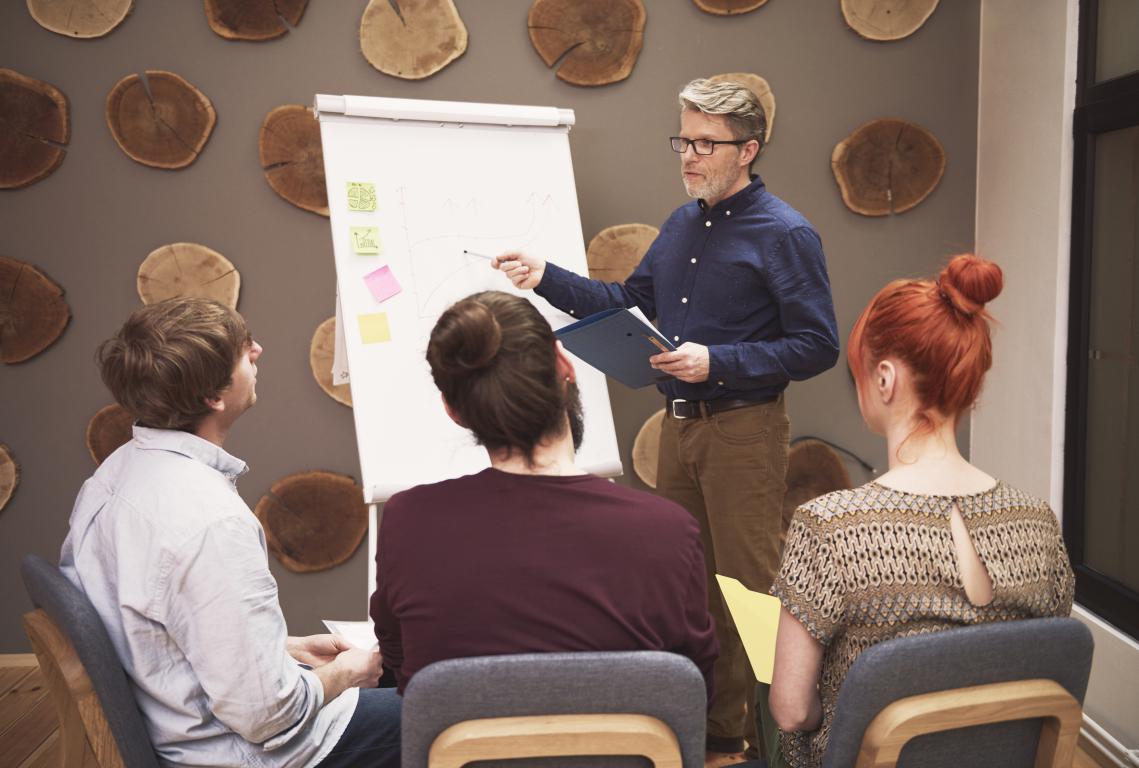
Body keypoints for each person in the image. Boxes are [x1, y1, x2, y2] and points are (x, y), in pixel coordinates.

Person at [492, 77, 839, 760]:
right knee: (691, 589)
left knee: (751, 594)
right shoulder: (684, 224)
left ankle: (785, 748)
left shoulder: (786, 233)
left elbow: (818, 345)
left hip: (743, 429)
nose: (688, 155)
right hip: (678, 432)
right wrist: (544, 275)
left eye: (705, 143)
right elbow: (626, 300)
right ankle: (720, 735)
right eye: (683, 139)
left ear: (748, 150)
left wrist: (721, 362)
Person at [60, 298, 400, 767]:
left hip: (178, 719)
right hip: (239, 753)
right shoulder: (211, 523)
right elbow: (270, 717)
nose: (258, 350)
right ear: (213, 398)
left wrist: (284, 651)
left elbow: (150, 628)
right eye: (243, 353)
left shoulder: (113, 475)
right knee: (454, 713)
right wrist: (344, 673)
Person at [765, 255, 1076, 768]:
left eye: (859, 371)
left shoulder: (831, 527)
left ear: (884, 379)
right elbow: (1043, 670)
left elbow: (792, 711)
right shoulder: (1038, 522)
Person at [369, 290, 718, 700]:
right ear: (564, 364)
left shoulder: (408, 519)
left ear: (453, 410)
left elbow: (399, 659)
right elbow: (694, 686)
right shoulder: (667, 529)